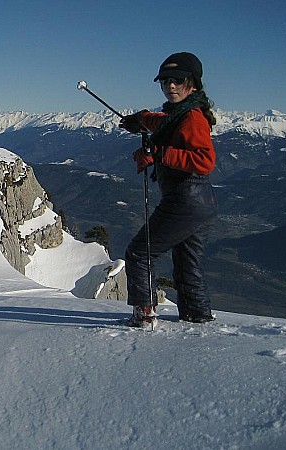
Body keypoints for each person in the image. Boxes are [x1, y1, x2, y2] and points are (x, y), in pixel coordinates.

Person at [119, 52, 218, 327]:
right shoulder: (182, 113)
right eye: (165, 82)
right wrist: (140, 119)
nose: (170, 86)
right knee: (188, 266)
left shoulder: (193, 119)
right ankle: (197, 318)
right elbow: (162, 121)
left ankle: (145, 314)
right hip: (202, 202)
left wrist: (158, 153)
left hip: (185, 199)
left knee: (140, 252)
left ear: (193, 83)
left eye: (177, 81)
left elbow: (204, 161)